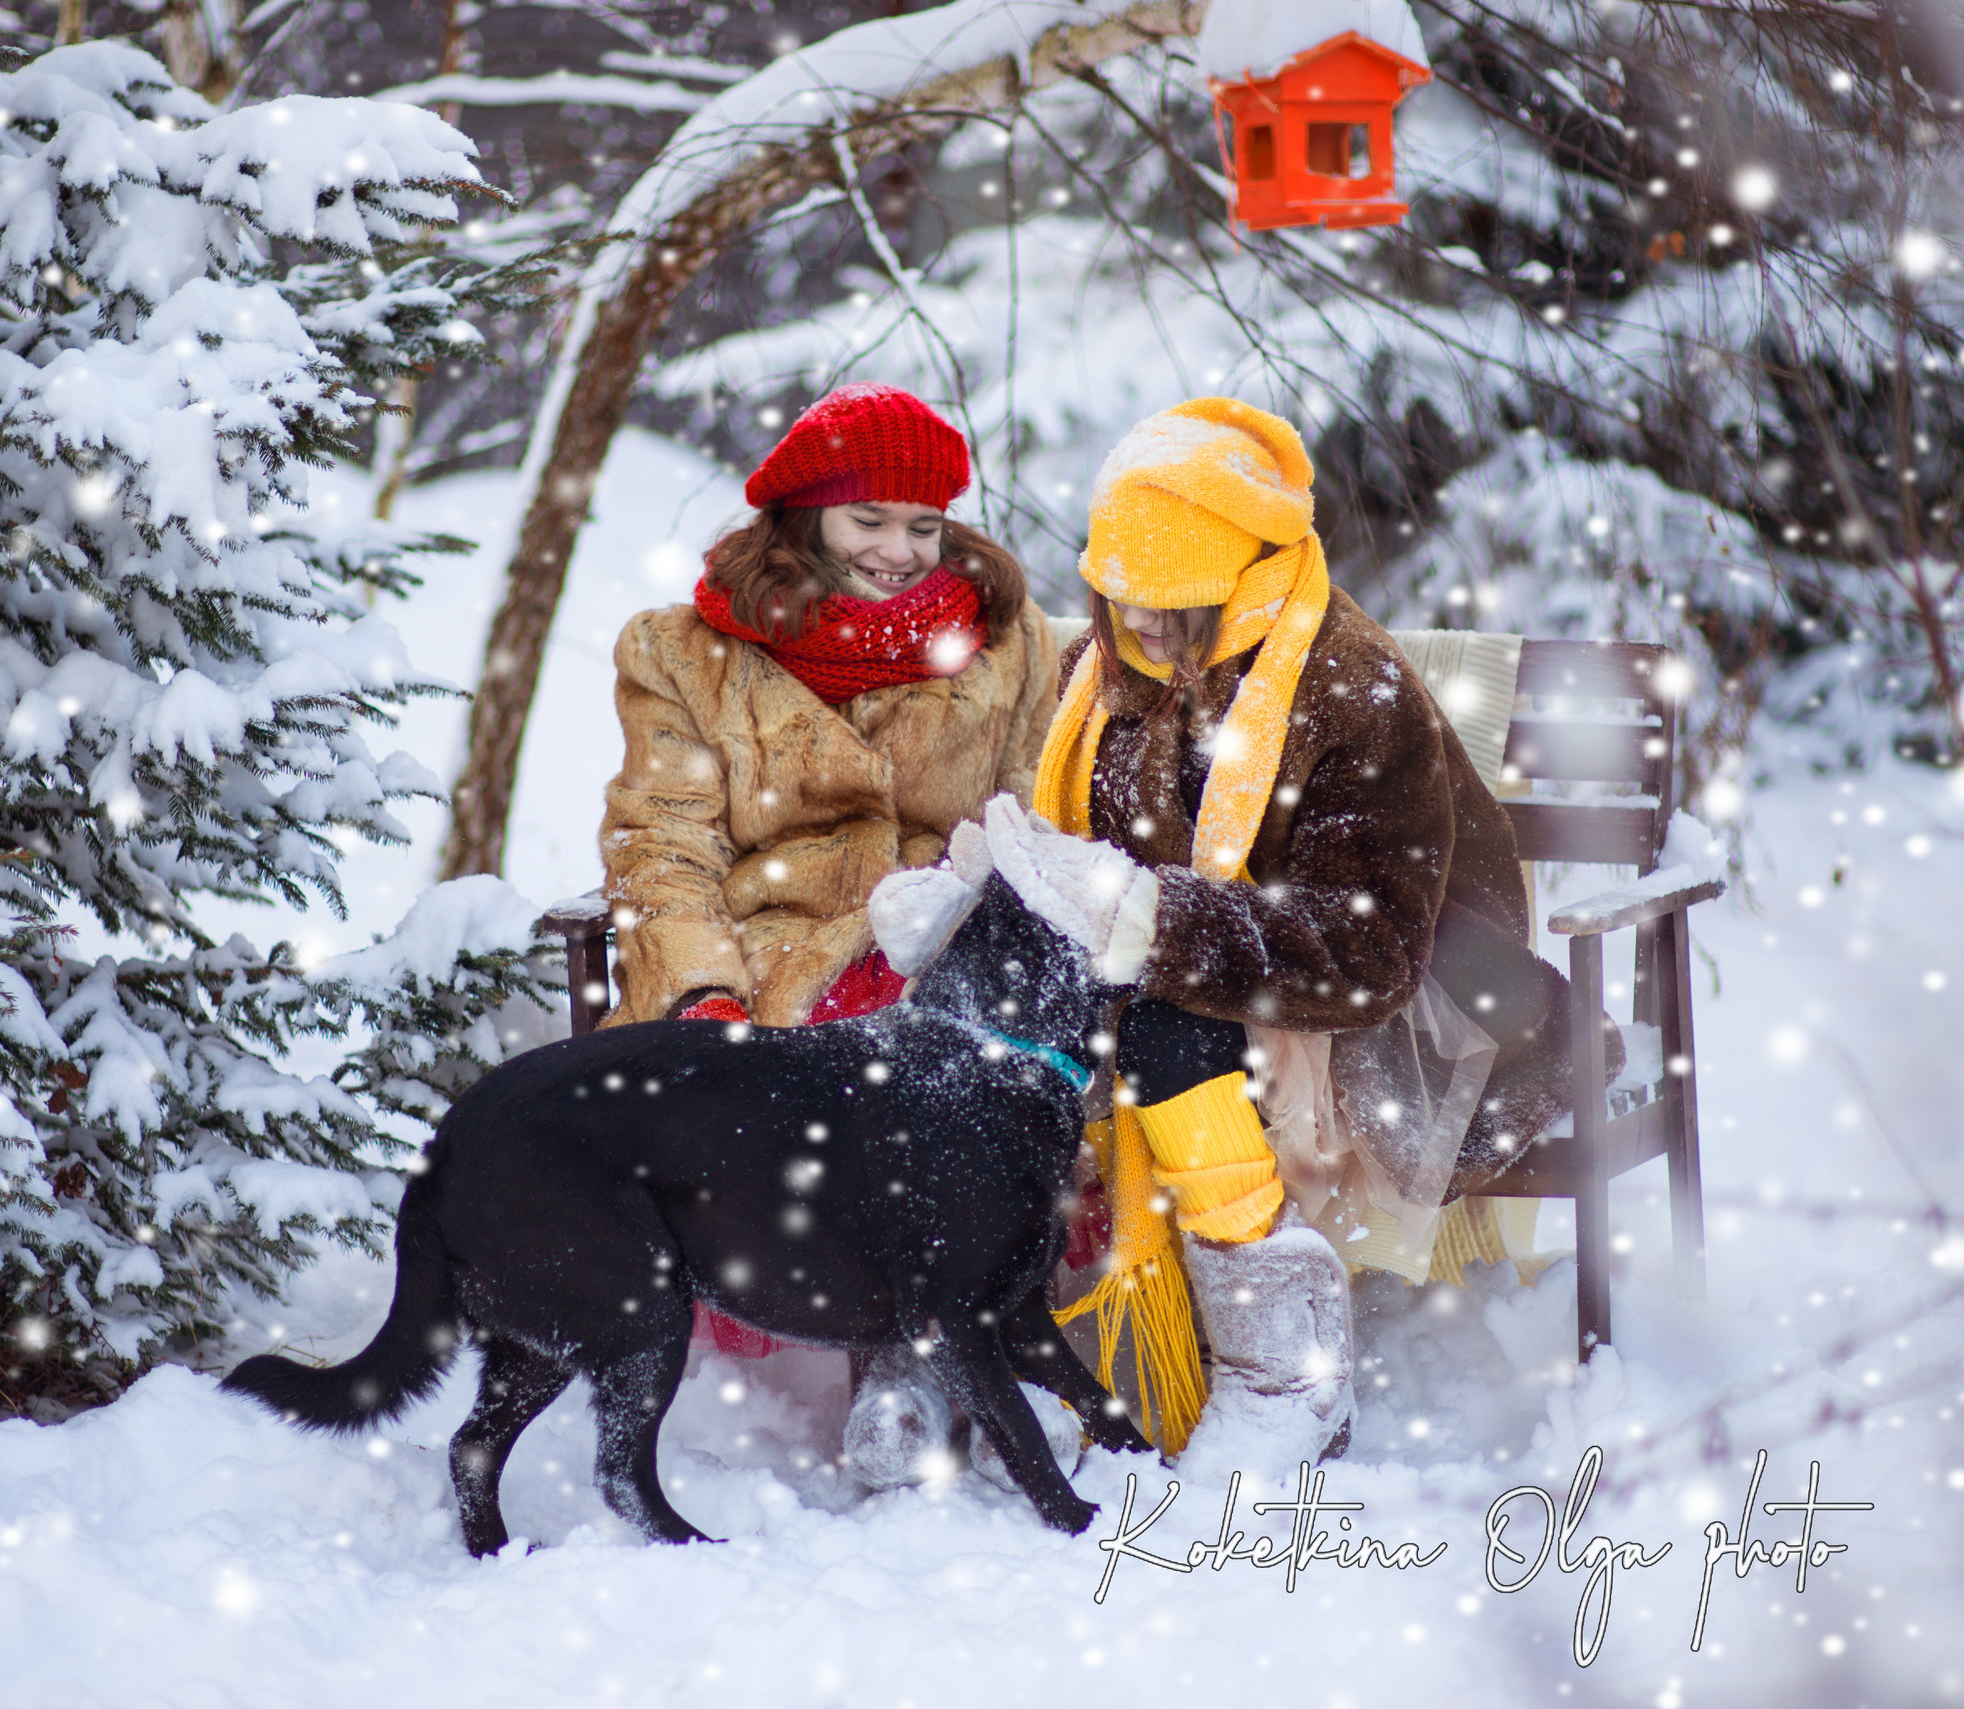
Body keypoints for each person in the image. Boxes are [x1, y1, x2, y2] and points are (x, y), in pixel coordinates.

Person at [1031, 396, 1596, 1479]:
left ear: (1241, 584)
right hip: (1197, 958)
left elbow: (1371, 946)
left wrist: (1157, 919)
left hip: (1395, 996)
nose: (1144, 628)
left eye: (1176, 605)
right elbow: (1083, 857)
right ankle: (1021, 1347)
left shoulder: (1346, 684)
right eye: (1122, 599)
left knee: (1163, 1027)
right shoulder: (1097, 683)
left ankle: (1281, 1368)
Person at [597, 382, 1059, 1476]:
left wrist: (962, 903)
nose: (900, 551)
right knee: (829, 1043)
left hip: (949, 926)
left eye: (923, 523)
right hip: (769, 945)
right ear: (804, 514)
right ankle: (879, 1336)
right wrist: (700, 990)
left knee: (943, 1046)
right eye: (869, 520)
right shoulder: (681, 651)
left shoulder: (1004, 641)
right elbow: (663, 845)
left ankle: (913, 1351)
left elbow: (1039, 816)